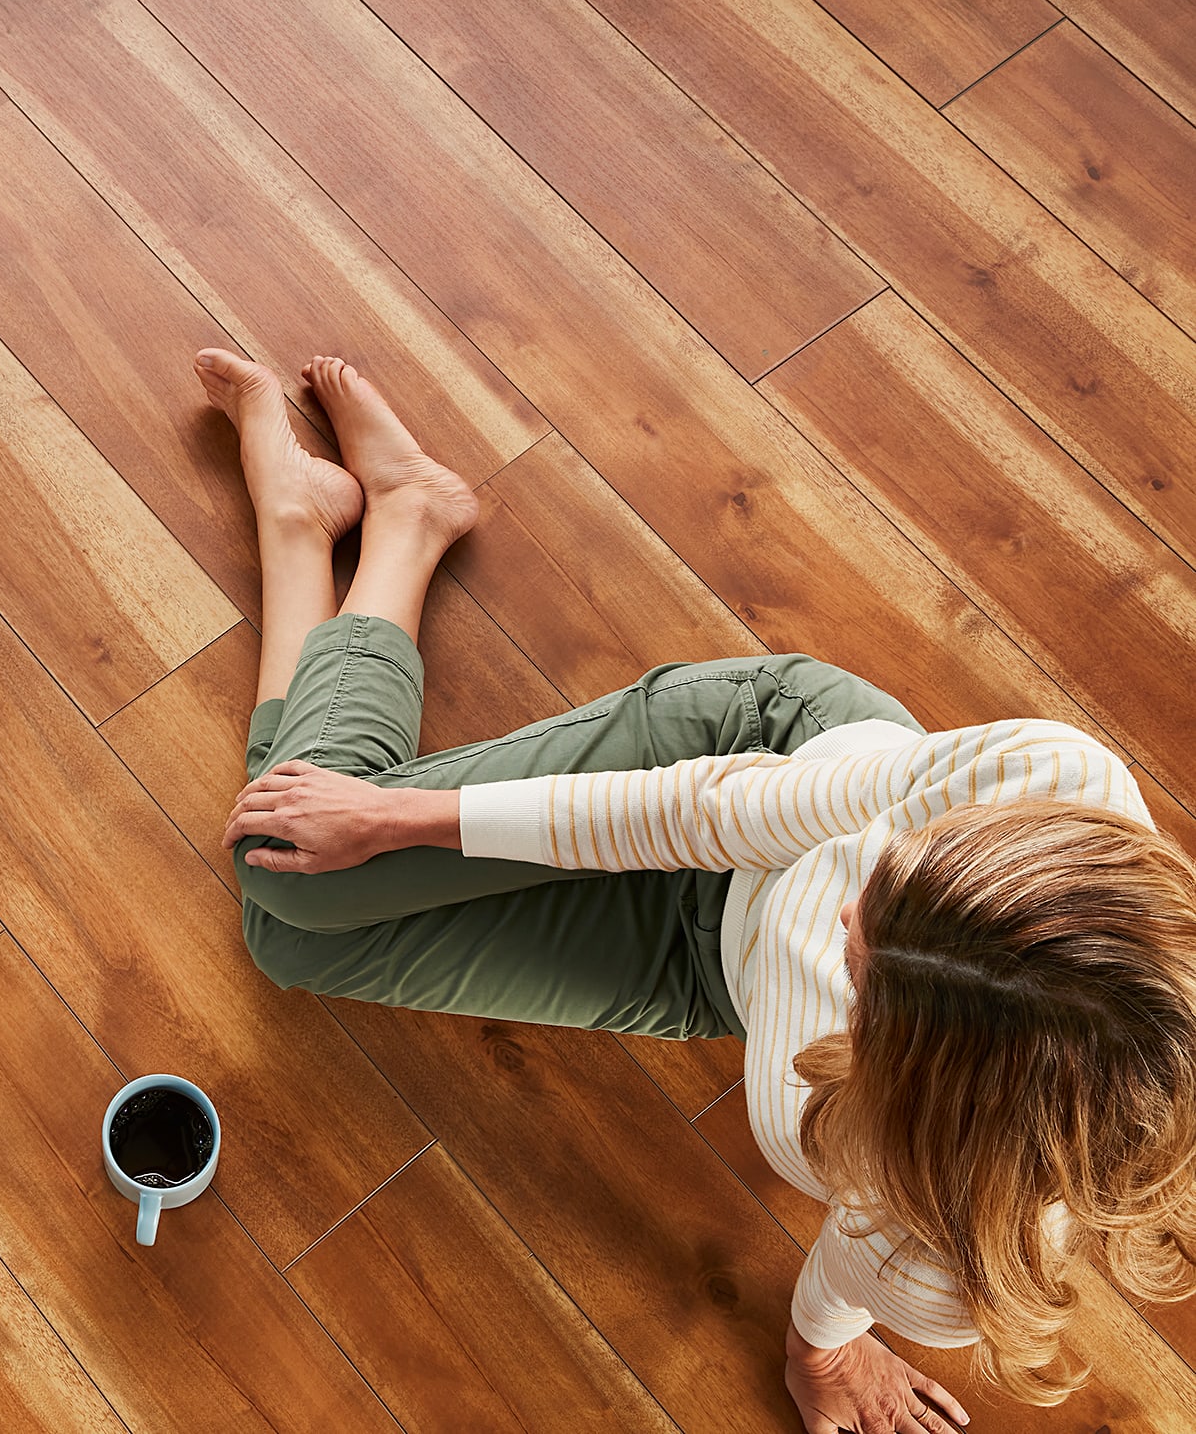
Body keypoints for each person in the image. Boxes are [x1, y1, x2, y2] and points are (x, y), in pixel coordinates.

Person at [198, 346, 1196, 1433]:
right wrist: (393, 819)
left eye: (864, 965)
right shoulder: (1051, 781)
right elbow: (714, 810)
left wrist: (822, 1354)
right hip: (745, 765)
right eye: (898, 882)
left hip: (704, 970)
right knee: (293, 862)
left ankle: (364, 523)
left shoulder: (941, 1240)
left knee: (287, 920)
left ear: (912, 1097)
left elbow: (862, 1274)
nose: (853, 903)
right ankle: (361, 526)